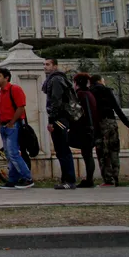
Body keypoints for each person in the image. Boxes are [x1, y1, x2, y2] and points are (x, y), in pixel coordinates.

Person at [0, 68, 34, 190]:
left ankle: (27, 177)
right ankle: (13, 179)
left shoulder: (14, 89)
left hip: (13, 125)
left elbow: (20, 107)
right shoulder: (1, 93)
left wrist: (12, 122)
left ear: (6, 78)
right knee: (8, 154)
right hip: (4, 125)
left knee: (13, 153)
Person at [89, 74, 129, 187]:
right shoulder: (107, 91)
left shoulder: (91, 92)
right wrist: (127, 123)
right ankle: (116, 176)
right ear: (99, 81)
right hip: (111, 122)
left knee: (103, 152)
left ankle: (108, 179)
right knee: (114, 149)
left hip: (99, 124)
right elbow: (117, 108)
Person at [43, 58, 77, 189]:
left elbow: (55, 101)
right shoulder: (54, 79)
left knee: (63, 150)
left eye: (48, 64)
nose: (45, 67)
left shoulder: (56, 80)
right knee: (61, 151)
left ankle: (69, 180)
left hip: (59, 119)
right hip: (59, 118)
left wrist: (52, 121)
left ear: (55, 66)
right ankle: (66, 179)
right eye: (44, 64)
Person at [71, 73, 99, 188]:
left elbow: (77, 113)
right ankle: (89, 179)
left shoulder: (81, 95)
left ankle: (89, 180)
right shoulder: (89, 94)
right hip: (91, 128)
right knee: (88, 154)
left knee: (87, 154)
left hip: (85, 128)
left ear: (76, 83)